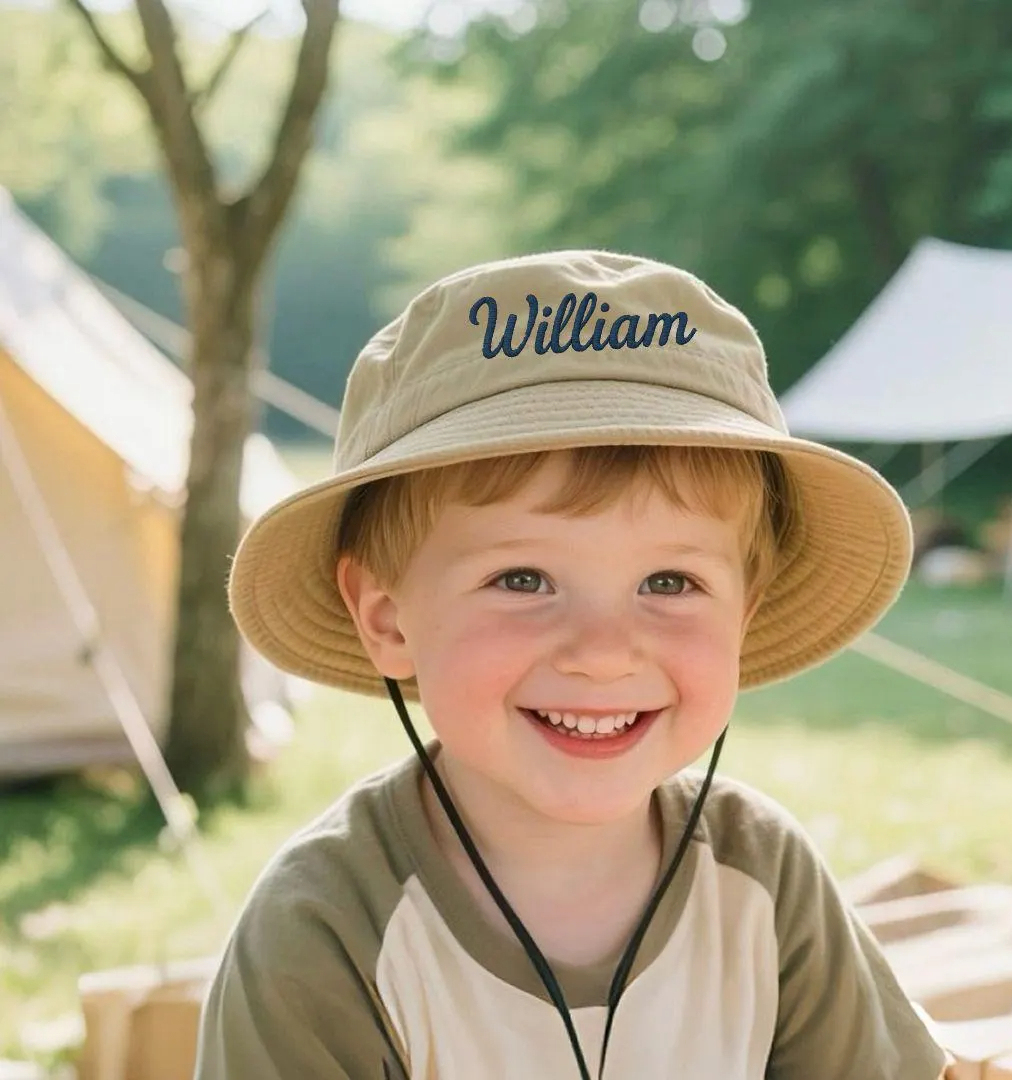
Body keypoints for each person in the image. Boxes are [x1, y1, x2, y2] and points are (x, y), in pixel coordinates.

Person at [197, 250, 952, 1079]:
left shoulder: (762, 881)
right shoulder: (326, 928)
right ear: (387, 618)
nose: (601, 652)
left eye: (671, 581)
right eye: (521, 579)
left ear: (747, 612)